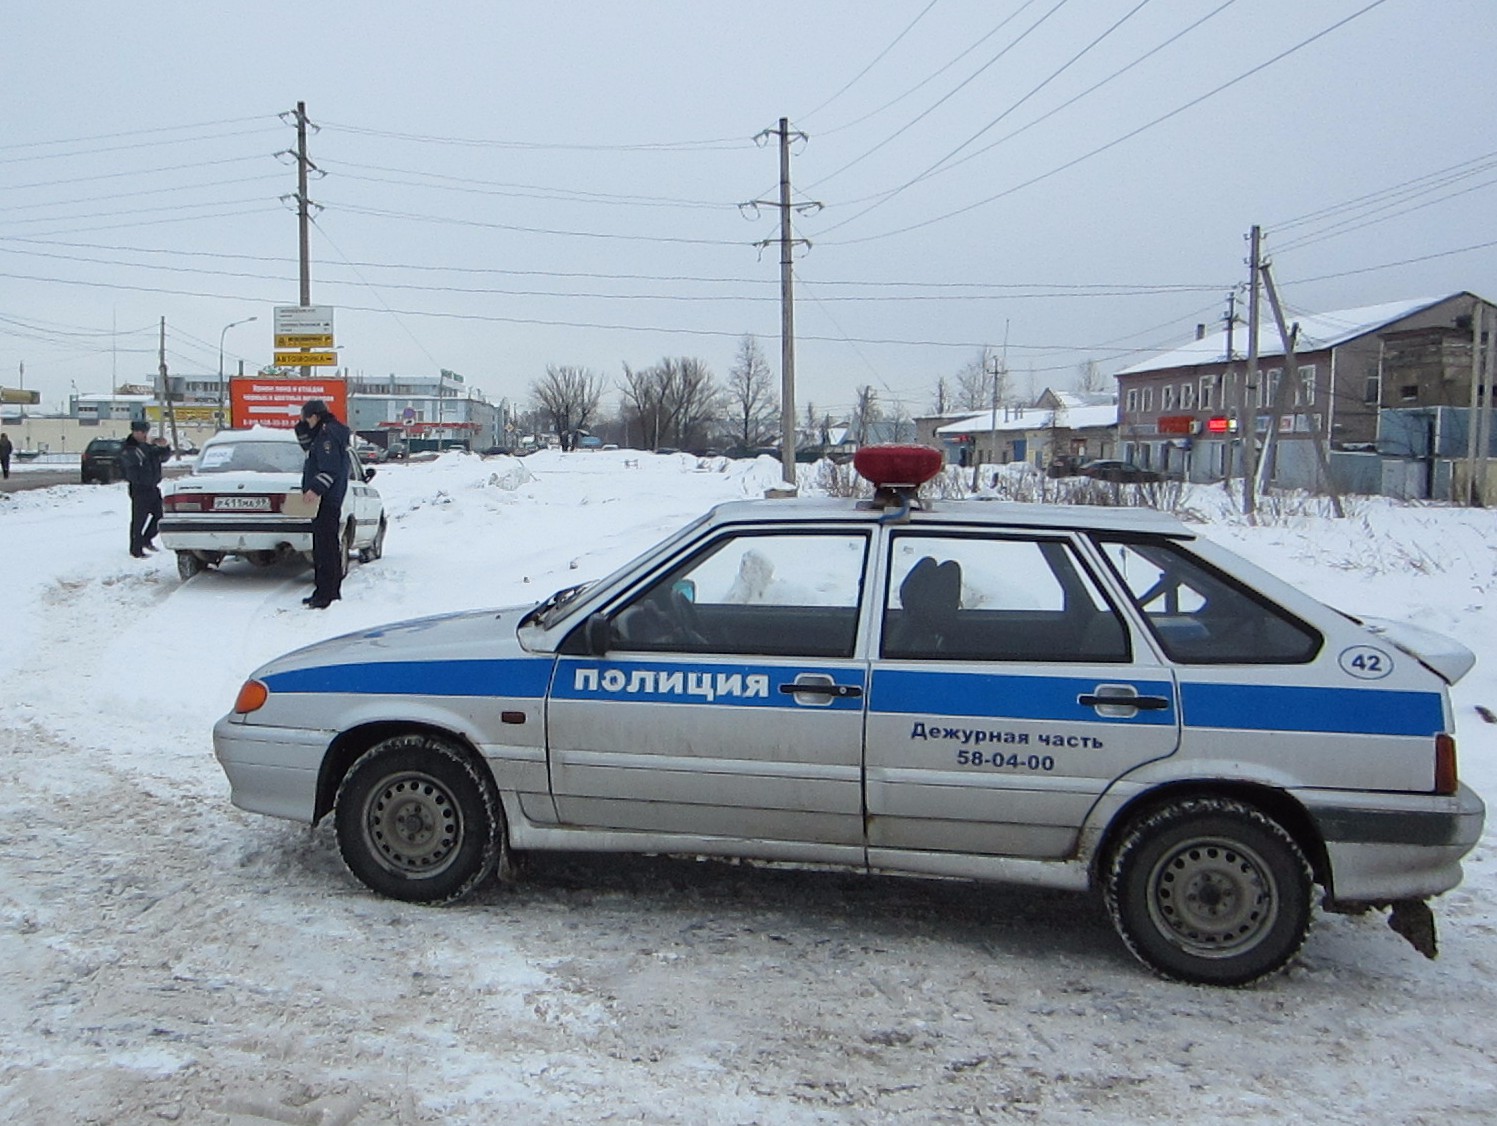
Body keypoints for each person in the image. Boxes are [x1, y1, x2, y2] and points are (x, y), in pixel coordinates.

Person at [299, 399, 352, 609]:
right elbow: (306, 443)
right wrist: (301, 427)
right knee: (322, 546)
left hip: (326, 500)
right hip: (327, 499)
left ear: (314, 416)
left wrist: (315, 489)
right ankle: (323, 590)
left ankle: (327, 593)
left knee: (326, 548)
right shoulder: (325, 432)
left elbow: (330, 468)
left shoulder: (327, 435)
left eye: (306, 418)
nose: (305, 421)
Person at [120, 419, 172, 557]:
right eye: (139, 432)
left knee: (160, 516)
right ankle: (136, 549)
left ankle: (146, 539)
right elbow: (136, 461)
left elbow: (162, 457)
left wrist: (164, 447)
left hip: (153, 487)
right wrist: (148, 446)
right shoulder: (129, 448)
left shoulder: (147, 447)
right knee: (139, 519)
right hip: (139, 488)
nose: (142, 434)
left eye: (144, 432)